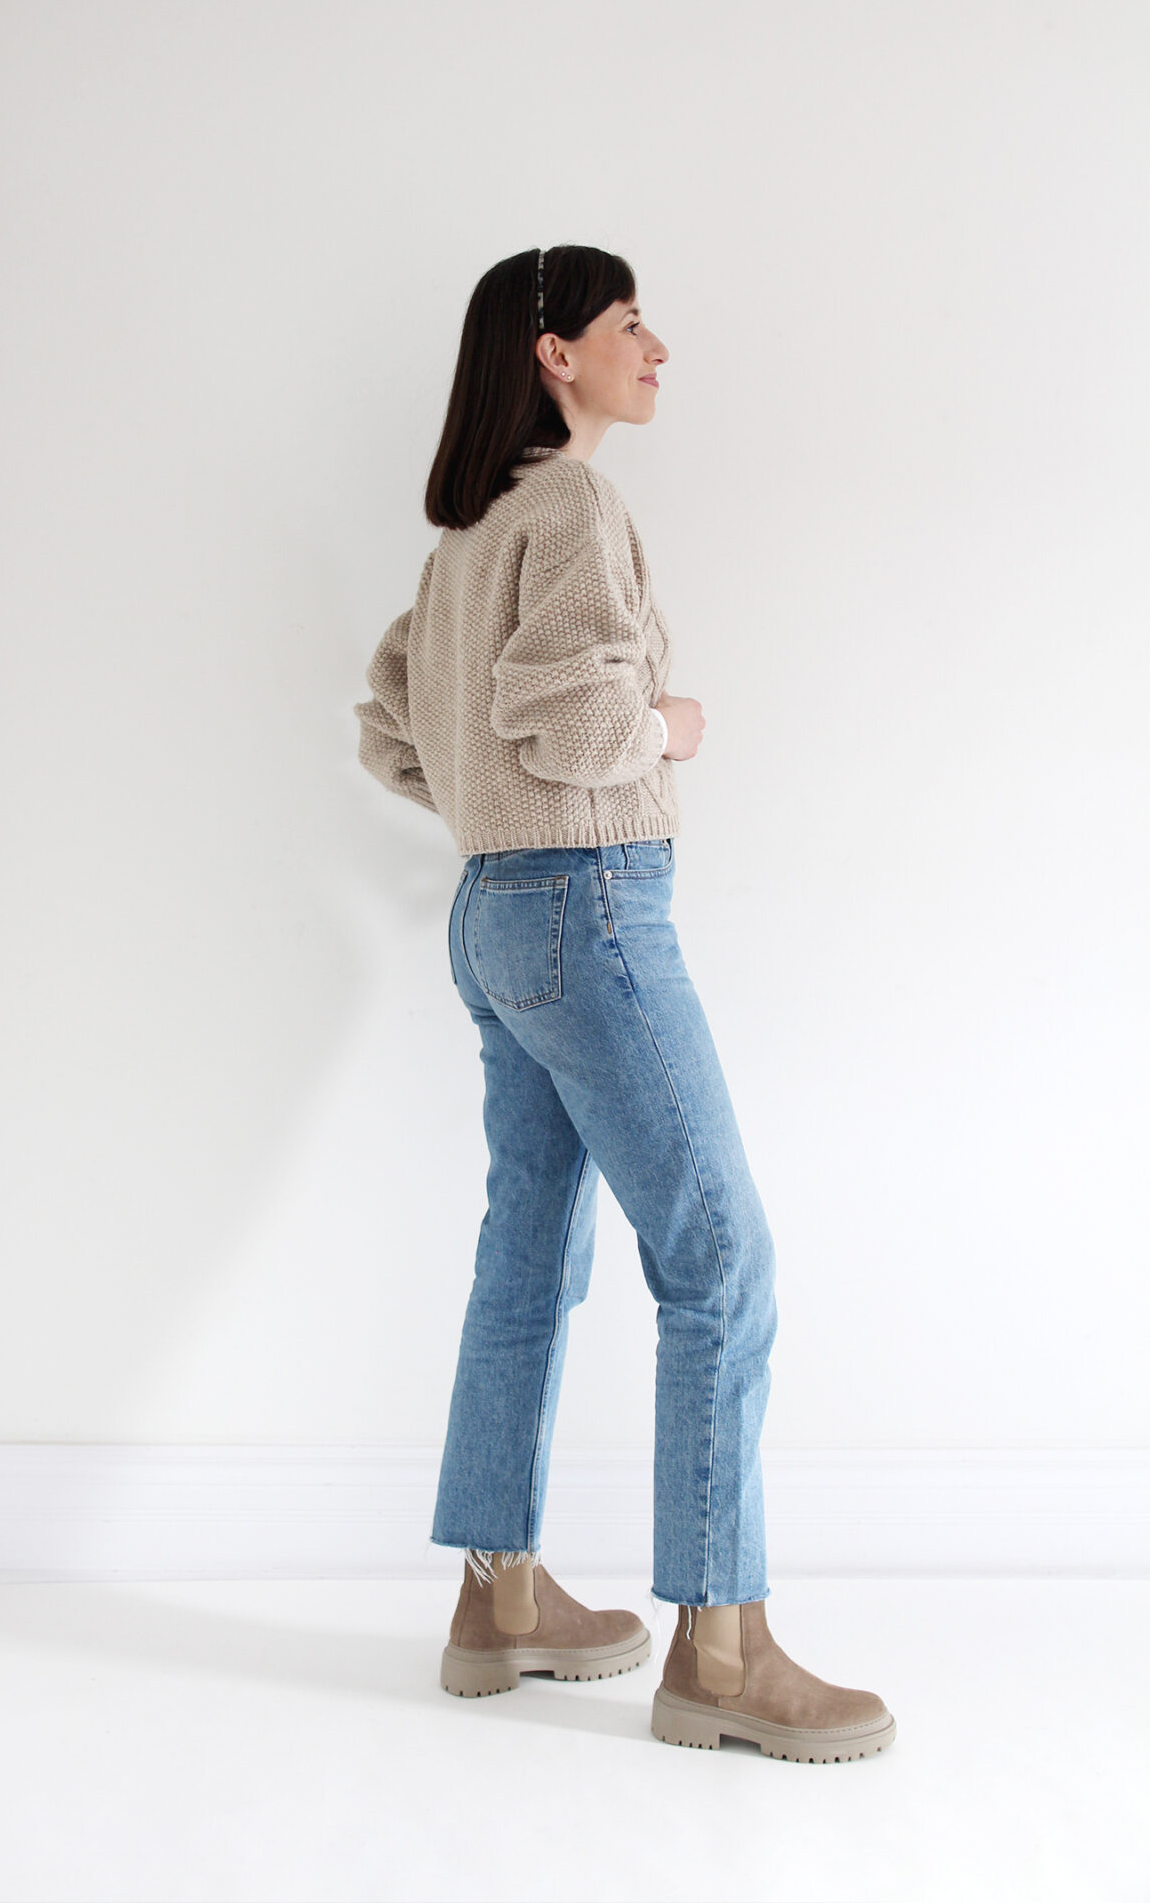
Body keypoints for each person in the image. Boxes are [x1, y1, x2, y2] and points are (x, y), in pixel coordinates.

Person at [353, 245, 895, 1764]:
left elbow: (395, 722)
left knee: (527, 1254)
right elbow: (570, 709)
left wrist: (478, 797)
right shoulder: (574, 507)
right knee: (719, 1255)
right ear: (551, 354)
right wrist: (665, 724)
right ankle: (719, 1648)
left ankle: (498, 1602)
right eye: (629, 324)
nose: (656, 347)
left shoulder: (470, 533)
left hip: (492, 913)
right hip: (585, 907)